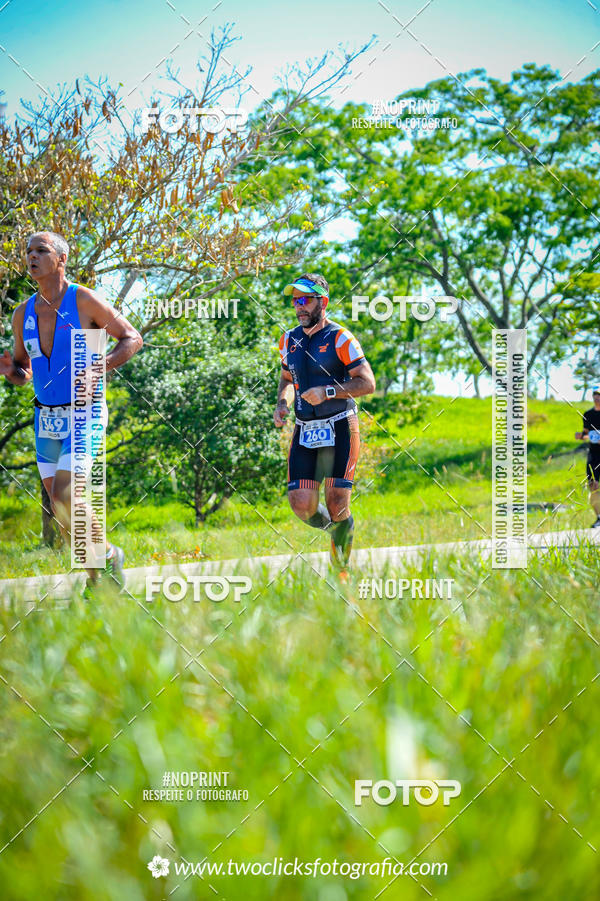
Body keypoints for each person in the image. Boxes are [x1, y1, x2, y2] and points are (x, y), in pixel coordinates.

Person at [0, 231, 143, 591]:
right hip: (45, 420)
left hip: (84, 413)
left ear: (61, 259)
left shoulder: (83, 300)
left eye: (41, 250)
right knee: (61, 509)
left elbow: (132, 338)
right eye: (28, 250)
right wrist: (10, 372)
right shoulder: (22, 314)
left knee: (67, 494)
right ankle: (100, 575)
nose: (31, 256)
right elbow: (22, 370)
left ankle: (109, 560)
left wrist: (100, 366)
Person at [274, 273, 375, 572]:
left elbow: (367, 382)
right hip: (305, 429)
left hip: (341, 425)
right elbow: (286, 379)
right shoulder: (288, 339)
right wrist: (282, 403)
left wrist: (328, 391)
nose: (299, 307)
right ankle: (338, 529)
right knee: (301, 505)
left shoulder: (340, 337)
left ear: (323, 302)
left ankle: (340, 573)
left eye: (305, 300)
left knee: (336, 501)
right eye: (295, 301)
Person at [575, 386, 600, 528]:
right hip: (594, 454)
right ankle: (599, 517)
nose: (597, 397)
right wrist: (580, 436)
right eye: (595, 395)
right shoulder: (588, 414)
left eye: (599, 395)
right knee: (593, 485)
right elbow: (585, 434)